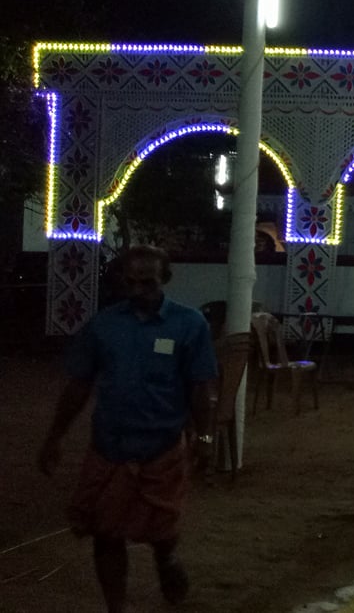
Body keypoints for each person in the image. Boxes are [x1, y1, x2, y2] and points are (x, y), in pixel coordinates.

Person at [37, 245, 218, 611]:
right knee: (106, 534)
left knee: (162, 531)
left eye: (147, 283)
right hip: (109, 449)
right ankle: (115, 607)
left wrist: (206, 437)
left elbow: (201, 387)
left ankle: (165, 559)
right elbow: (79, 385)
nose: (139, 292)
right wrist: (54, 436)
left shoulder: (189, 324)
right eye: (131, 283)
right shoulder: (104, 325)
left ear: (164, 279)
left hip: (162, 449)